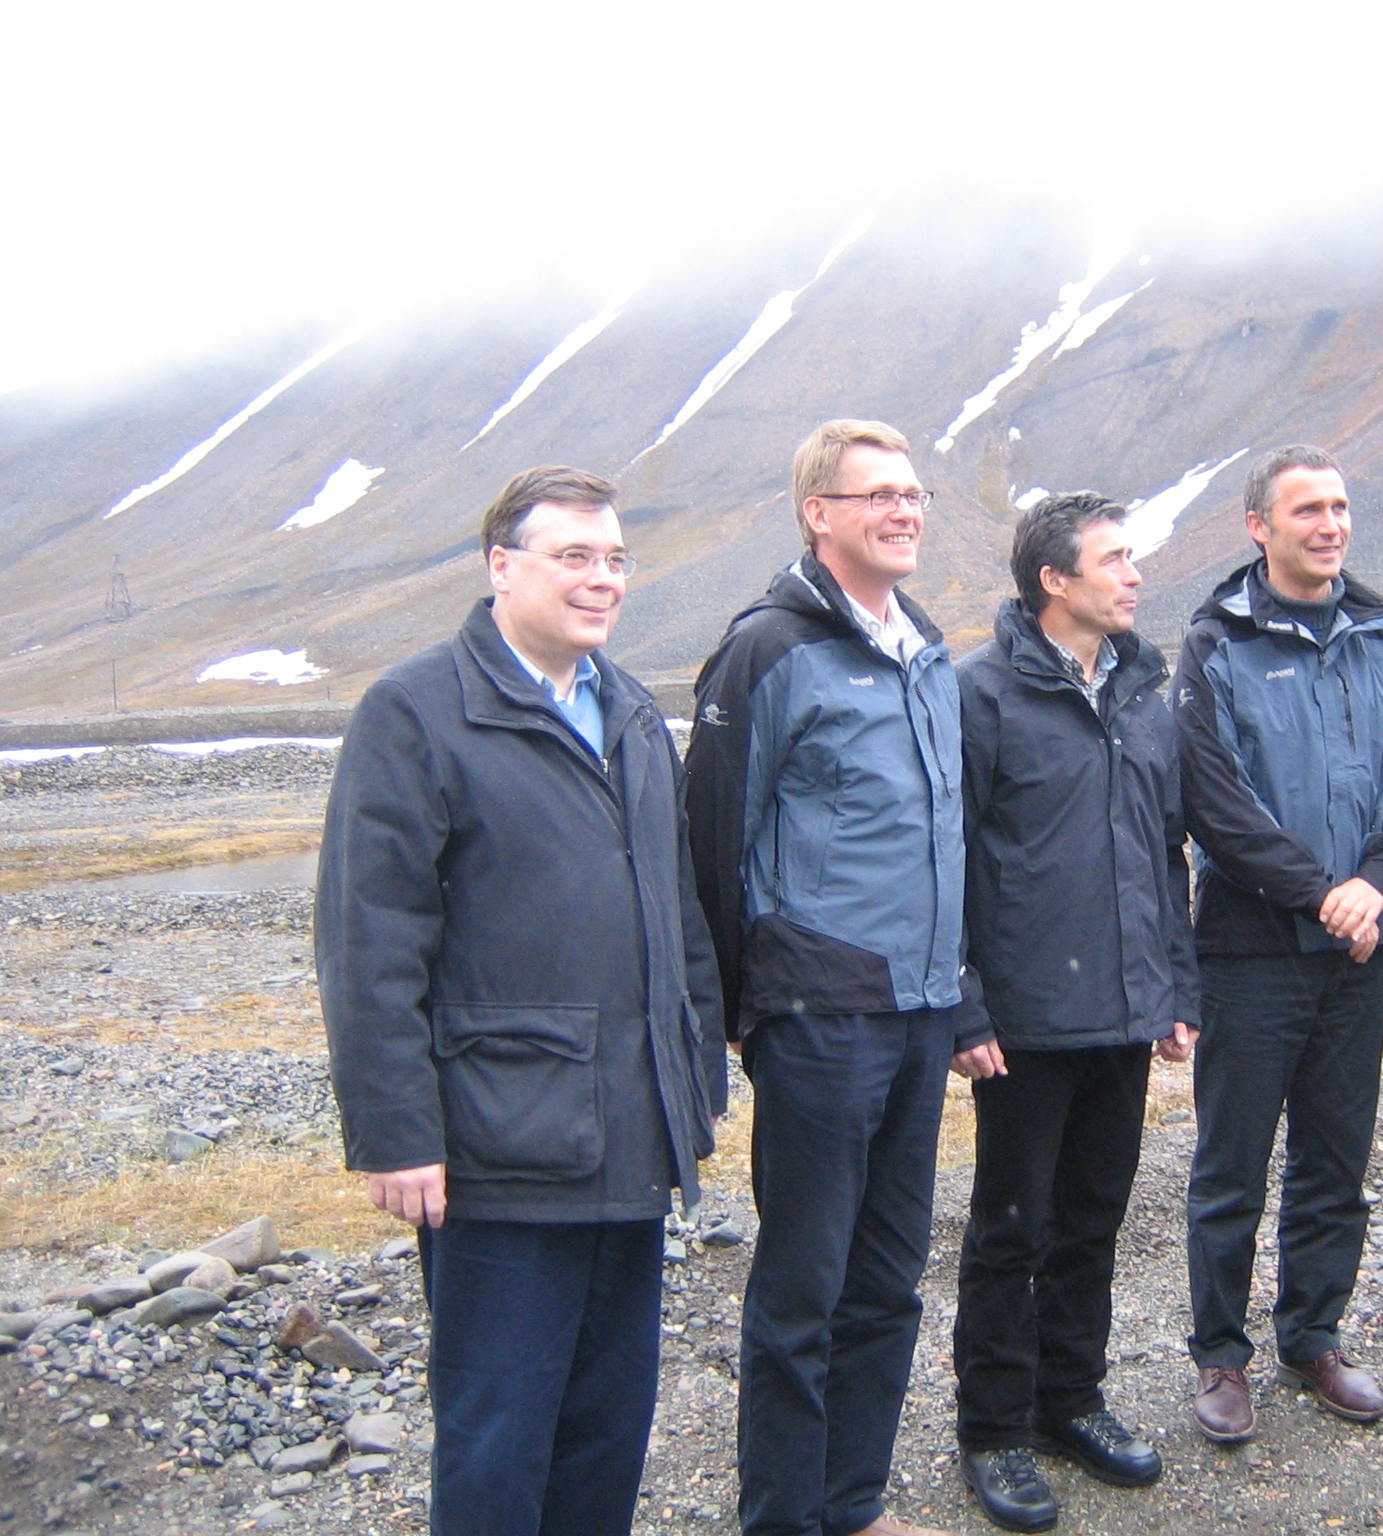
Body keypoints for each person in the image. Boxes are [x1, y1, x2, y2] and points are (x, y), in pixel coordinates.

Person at [315, 465, 724, 1536]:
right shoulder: (415, 713)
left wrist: (692, 1090)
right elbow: (371, 942)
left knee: (608, 1424)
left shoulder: (631, 710)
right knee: (499, 1431)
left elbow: (676, 919)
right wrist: (397, 1133)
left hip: (629, 1141)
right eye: (574, 558)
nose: (603, 581)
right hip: (500, 1149)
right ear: (503, 567)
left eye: (616, 559)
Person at [687, 420, 967, 1536]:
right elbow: (710, 839)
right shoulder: (766, 649)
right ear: (819, 513)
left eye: (912, 495)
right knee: (800, 1291)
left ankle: (850, 1504)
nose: (902, 512)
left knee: (889, 1281)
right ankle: (781, 1519)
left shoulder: (927, 645)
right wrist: (730, 1017)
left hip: (920, 1011)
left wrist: (961, 992)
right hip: (816, 1018)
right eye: (876, 496)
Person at [948, 493, 1200, 1532]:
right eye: (1113, 560)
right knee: (1011, 1226)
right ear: (1054, 580)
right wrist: (962, 1005)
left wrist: (1175, 989)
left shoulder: (1146, 694)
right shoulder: (980, 695)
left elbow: (1163, 851)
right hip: (1021, 1017)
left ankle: (1070, 1402)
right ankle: (993, 1430)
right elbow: (947, 857)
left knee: (1092, 1218)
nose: (1133, 576)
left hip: (1123, 1010)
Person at [1172, 444, 1383, 1444]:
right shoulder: (1216, 642)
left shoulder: (1374, 632)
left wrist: (1373, 885)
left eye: (1338, 507)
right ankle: (1219, 1356)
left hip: (1358, 951)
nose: (1328, 525)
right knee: (1230, 1163)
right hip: (1247, 951)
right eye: (1305, 510)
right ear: (1258, 527)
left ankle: (1312, 1335)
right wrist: (1319, 893)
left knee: (1334, 1155)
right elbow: (1213, 799)